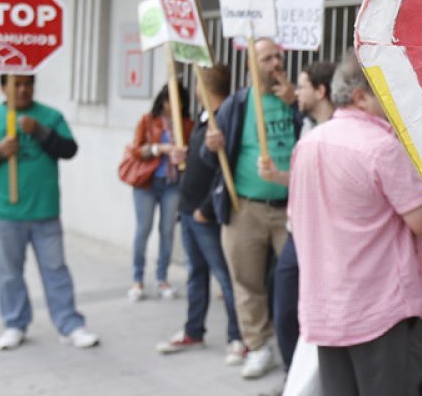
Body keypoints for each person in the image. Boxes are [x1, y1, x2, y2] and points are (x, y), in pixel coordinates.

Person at [289, 52, 422, 395]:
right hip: (378, 308)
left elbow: (297, 219)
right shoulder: (381, 147)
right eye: (386, 96)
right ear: (360, 96)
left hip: (326, 306)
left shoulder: (308, 144)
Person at [0, 74, 98, 350]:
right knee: (9, 272)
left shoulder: (50, 116)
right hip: (4, 213)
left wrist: (41, 132)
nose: (22, 90)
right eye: (15, 84)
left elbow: (69, 150)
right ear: (2, 87)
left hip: (45, 211)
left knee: (56, 269)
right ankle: (14, 323)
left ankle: (70, 324)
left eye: (27, 84)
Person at [201, 38, 299, 379]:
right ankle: (258, 347)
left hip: (292, 208)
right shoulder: (237, 104)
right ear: (251, 66)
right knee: (247, 282)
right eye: (267, 58)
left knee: (298, 281)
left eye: (278, 57)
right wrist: (211, 146)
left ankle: (298, 348)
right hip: (246, 208)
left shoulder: (297, 99)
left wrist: (297, 105)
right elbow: (208, 158)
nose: (275, 63)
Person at [155, 66, 246, 366]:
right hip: (188, 210)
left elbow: (225, 169)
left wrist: (206, 209)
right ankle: (194, 329)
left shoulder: (223, 121)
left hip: (203, 214)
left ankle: (238, 336)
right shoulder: (204, 119)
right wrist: (183, 155)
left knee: (224, 276)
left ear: (203, 86)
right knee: (196, 274)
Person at [272, 60, 336, 369]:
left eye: (303, 86)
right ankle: (291, 377)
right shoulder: (306, 123)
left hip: (324, 239)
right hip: (294, 233)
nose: (296, 92)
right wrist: (278, 176)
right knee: (284, 310)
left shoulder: (341, 131)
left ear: (321, 91)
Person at [126, 83, 191, 302]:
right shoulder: (148, 121)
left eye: (178, 100)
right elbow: (137, 150)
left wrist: (183, 155)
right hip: (147, 183)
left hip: (172, 184)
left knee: (167, 231)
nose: (172, 105)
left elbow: (191, 153)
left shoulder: (186, 124)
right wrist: (160, 149)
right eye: (168, 100)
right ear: (162, 101)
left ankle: (162, 277)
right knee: (143, 229)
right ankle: (137, 278)